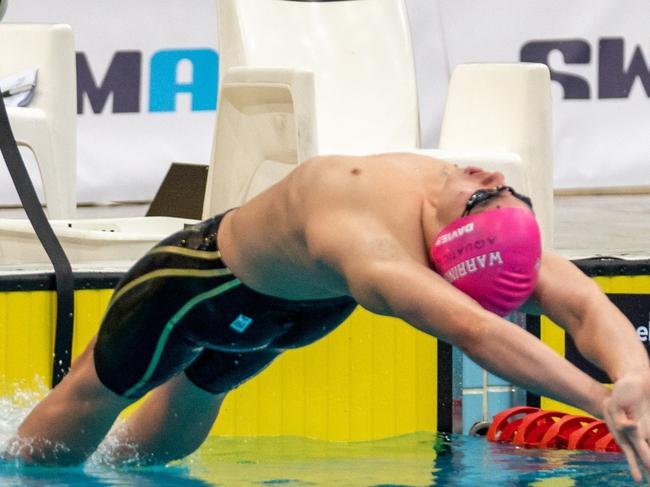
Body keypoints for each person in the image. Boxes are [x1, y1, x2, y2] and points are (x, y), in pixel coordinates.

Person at [6, 153, 650, 482]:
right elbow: (525, 317)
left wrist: (618, 388)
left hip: (239, 295)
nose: (488, 172)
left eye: (484, 193)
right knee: (143, 391)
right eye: (498, 194)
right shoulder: (391, 235)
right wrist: (611, 389)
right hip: (249, 299)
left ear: (450, 246)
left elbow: (530, 318)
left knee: (124, 387)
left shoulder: (404, 246)